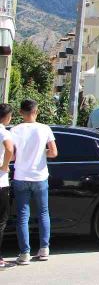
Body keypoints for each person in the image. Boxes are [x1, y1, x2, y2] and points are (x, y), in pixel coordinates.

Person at [11, 99, 58, 264]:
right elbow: (53, 153)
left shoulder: (15, 130)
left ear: (20, 112)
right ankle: (44, 249)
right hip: (39, 177)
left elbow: (13, 155)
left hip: (20, 176)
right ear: (36, 111)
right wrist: (41, 152)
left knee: (23, 216)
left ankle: (24, 254)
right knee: (43, 213)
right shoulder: (45, 129)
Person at [0, 104, 12, 268]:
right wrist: (5, 165)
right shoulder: (3, 131)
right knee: (1, 220)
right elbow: (9, 148)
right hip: (0, 182)